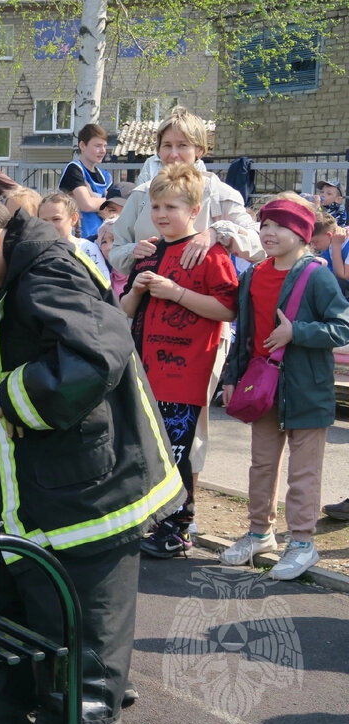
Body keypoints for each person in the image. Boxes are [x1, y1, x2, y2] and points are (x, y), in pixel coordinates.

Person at [0, 183, 182, 724]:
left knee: (87, 618)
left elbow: (98, 353)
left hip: (90, 485)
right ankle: (10, 707)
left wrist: (8, 401)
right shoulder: (15, 267)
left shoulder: (47, 270)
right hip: (40, 482)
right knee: (20, 595)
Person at [110, 106, 264, 534]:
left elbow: (254, 244)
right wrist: (135, 254)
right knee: (149, 418)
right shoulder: (146, 193)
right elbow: (116, 247)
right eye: (166, 145)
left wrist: (216, 231)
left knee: (187, 425)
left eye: (183, 145)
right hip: (149, 325)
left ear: (201, 149)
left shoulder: (218, 191)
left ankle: (182, 512)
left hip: (199, 334)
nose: (175, 153)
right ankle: (153, 506)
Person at [219, 197, 349, 580]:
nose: (269, 233)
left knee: (303, 472)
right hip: (262, 388)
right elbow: (245, 332)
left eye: (280, 226)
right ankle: (260, 533)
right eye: (265, 225)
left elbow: (341, 327)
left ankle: (303, 543)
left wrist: (298, 332)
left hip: (307, 389)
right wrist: (231, 377)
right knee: (261, 465)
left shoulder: (317, 275)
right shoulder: (254, 274)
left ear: (303, 235)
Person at [118, 164, 238, 558]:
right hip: (145, 371)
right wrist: (136, 290)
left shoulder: (208, 253)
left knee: (176, 452)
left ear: (194, 209)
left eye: (171, 205)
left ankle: (179, 527)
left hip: (184, 373)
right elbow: (124, 312)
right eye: (155, 206)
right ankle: (152, 520)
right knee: (149, 450)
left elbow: (227, 308)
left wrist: (176, 293)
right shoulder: (148, 251)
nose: (161, 214)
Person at [37, 191, 110, 281]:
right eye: (44, 220)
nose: (50, 225)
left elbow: (104, 283)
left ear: (74, 218)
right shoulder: (36, 251)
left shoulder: (87, 249)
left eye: (56, 219)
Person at [57, 123, 111, 239]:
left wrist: (94, 199)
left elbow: (114, 210)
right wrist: (107, 201)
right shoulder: (74, 169)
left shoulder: (106, 176)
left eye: (105, 146)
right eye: (97, 146)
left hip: (101, 240)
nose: (102, 151)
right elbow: (86, 205)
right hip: (78, 238)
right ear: (82, 145)